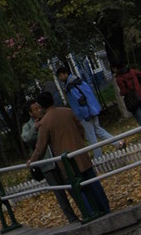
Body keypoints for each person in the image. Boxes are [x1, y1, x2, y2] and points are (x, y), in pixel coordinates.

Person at [27, 89, 111, 218]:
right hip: (80, 153)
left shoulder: (45, 123)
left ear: (42, 106)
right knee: (93, 183)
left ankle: (90, 213)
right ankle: (104, 208)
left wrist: (32, 161)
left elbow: (40, 147)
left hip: (67, 161)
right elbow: (80, 129)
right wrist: (78, 142)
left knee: (79, 189)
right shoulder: (67, 112)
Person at [25, 102, 80, 225]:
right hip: (47, 165)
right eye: (35, 109)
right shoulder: (28, 126)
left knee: (71, 186)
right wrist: (35, 128)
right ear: (31, 113)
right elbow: (27, 138)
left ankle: (84, 209)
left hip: (59, 160)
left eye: (40, 107)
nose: (39, 110)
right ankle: (72, 218)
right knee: (59, 193)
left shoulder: (48, 119)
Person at [55, 61, 115, 146]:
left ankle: (99, 154)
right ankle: (118, 143)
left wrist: (85, 115)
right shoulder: (78, 81)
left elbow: (80, 100)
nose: (60, 78)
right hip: (92, 109)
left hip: (84, 114)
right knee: (98, 130)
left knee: (91, 138)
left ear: (65, 74)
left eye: (60, 75)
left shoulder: (71, 86)